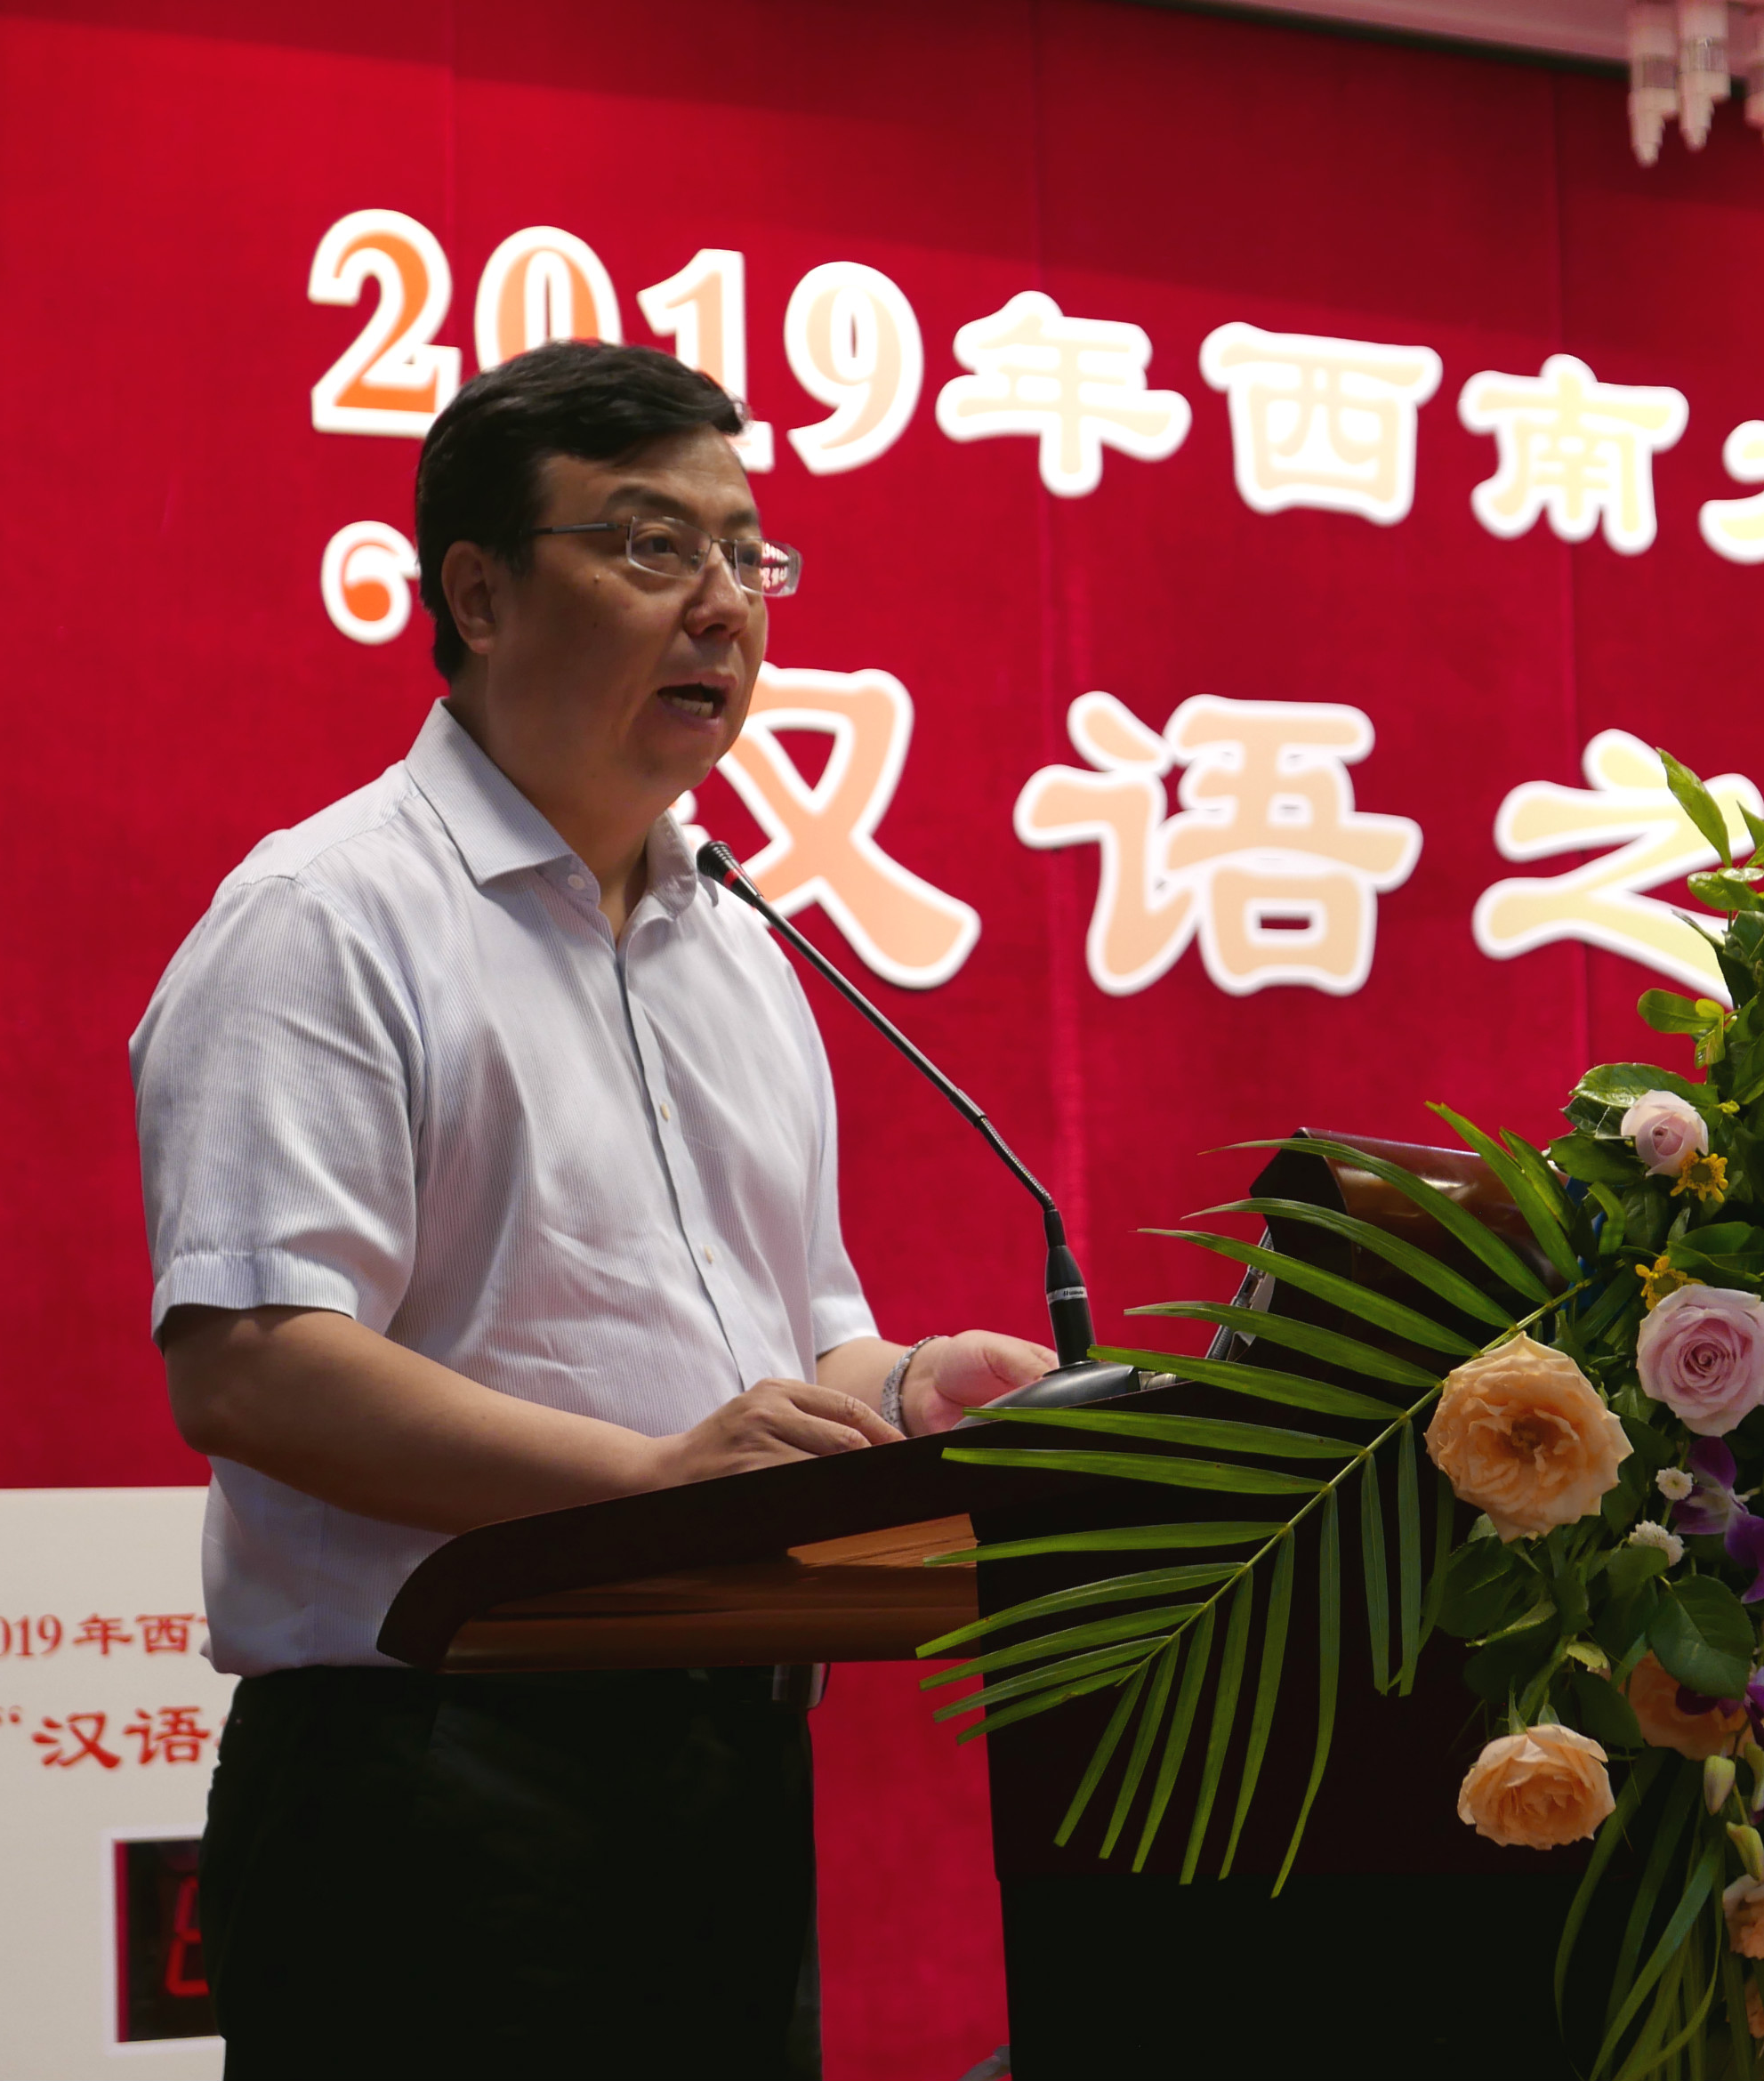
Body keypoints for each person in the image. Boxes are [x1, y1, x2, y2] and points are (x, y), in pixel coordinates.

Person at [130, 340, 1051, 2076]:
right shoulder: (328, 916)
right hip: (429, 1776)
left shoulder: (742, 947)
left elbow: (796, 1339)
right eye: (650, 546)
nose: (724, 605)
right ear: (479, 593)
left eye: (747, 555)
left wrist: (914, 1391)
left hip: (722, 1757)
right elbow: (250, 1362)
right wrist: (648, 1486)